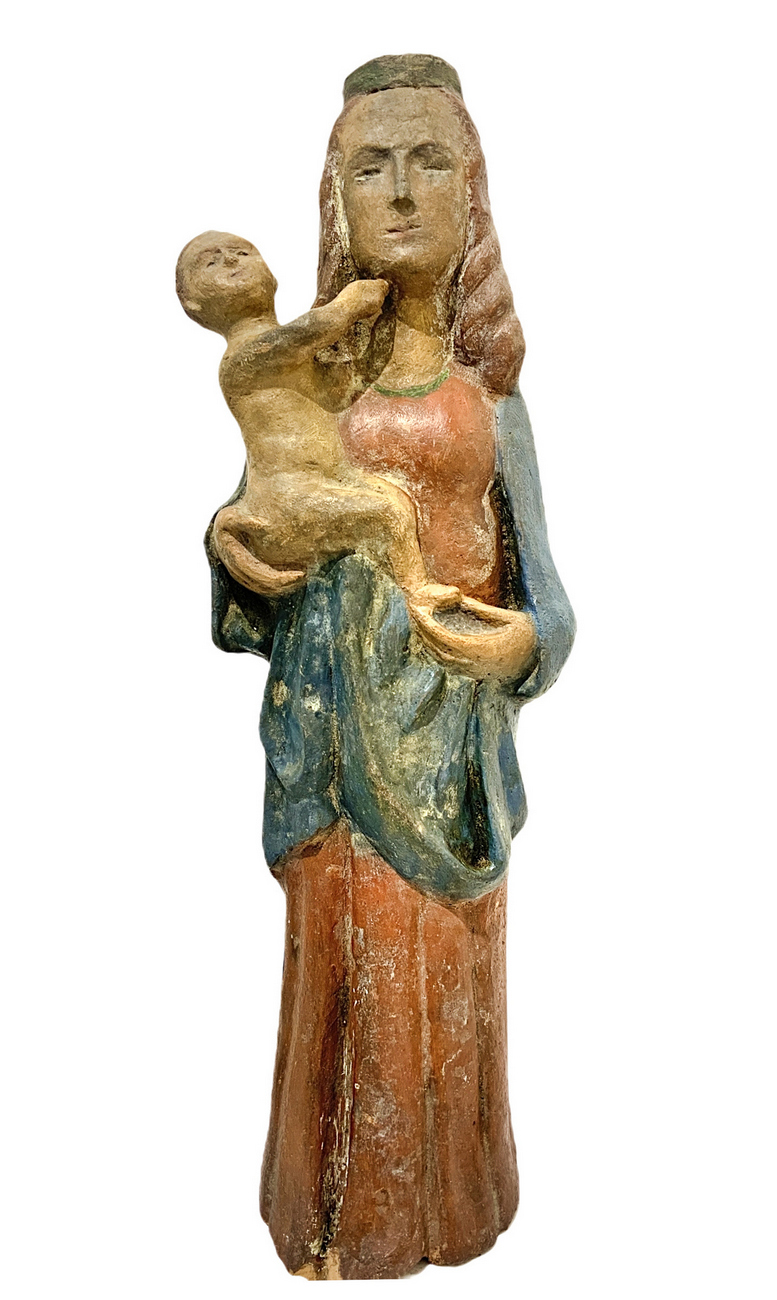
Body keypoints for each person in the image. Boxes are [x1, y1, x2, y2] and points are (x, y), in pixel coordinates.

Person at [205, 55, 575, 1280]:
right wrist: (235, 551)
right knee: (342, 960)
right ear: (336, 202)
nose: (402, 191)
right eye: (372, 167)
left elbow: (549, 599)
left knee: (448, 968)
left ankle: (455, 1197)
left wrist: (523, 644)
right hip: (332, 741)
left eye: (430, 163)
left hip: (450, 748)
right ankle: (332, 1209)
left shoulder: (491, 399)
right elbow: (264, 511)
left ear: (474, 196)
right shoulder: (309, 380)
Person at [176, 232, 467, 621]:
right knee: (388, 513)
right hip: (289, 502)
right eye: (211, 262)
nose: (231, 260)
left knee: (392, 500)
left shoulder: (297, 360)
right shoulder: (243, 358)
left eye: (243, 252)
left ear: (271, 277)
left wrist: (385, 327)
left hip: (321, 487)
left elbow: (343, 387)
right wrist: (350, 303)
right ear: (195, 305)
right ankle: (419, 595)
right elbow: (314, 328)